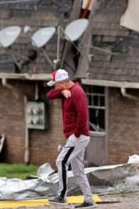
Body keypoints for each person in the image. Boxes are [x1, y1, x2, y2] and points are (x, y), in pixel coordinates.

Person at [46, 69, 96, 208]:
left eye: (56, 84)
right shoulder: (65, 92)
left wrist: (76, 135)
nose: (54, 87)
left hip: (78, 136)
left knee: (61, 161)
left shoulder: (77, 93)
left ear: (62, 82)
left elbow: (83, 116)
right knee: (78, 171)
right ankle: (89, 200)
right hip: (76, 136)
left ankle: (61, 196)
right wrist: (62, 92)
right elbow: (49, 95)